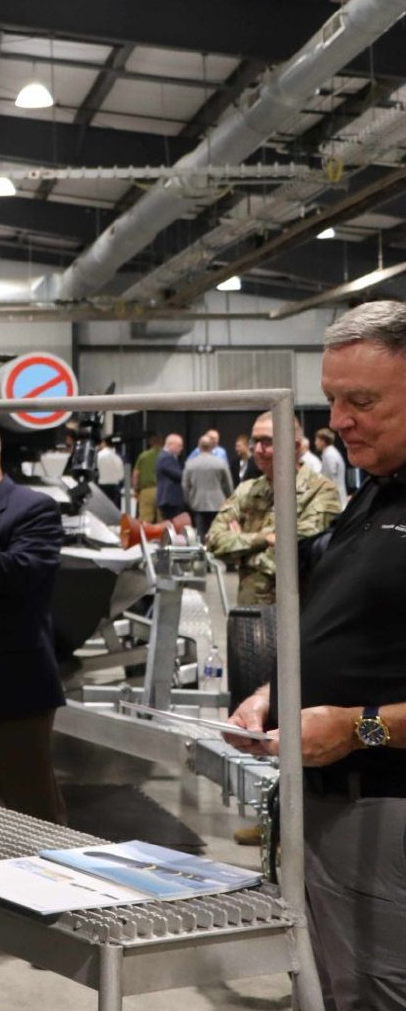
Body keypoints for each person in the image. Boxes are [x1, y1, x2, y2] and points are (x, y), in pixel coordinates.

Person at [225, 301, 406, 1010]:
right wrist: (278, 689)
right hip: (331, 813)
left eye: (363, 400)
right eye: (332, 398)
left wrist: (356, 725)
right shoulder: (373, 494)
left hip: (387, 809)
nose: (341, 419)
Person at [0, 421, 67, 823]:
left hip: (15, 684)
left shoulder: (33, 508)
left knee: (32, 804)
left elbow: (23, 574)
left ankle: (62, 882)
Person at [204, 410, 343, 605]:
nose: (258, 450)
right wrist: (265, 538)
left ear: (294, 446)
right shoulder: (248, 489)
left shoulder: (321, 491)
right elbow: (214, 541)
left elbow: (295, 552)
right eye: (255, 441)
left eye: (267, 442)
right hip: (247, 615)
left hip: (295, 619)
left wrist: (242, 555)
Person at [183, 434, 235, 538]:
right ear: (212, 447)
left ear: (199, 446)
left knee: (201, 534)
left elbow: (185, 485)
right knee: (218, 534)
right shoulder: (220, 463)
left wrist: (189, 501)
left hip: (198, 503)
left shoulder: (190, 463)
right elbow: (228, 484)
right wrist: (230, 498)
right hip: (218, 503)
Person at [155, 433, 188, 523]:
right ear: (170, 444)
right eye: (179, 446)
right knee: (172, 525)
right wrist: (189, 474)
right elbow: (178, 475)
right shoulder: (165, 458)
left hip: (170, 499)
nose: (181, 448)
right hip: (169, 499)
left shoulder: (169, 457)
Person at [132, 433, 162, 522]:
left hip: (146, 491)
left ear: (150, 443)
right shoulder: (166, 456)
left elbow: (135, 474)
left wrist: (135, 490)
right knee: (162, 519)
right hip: (163, 491)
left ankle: (144, 535)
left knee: (145, 519)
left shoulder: (143, 456)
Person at [315, 427, 349, 500]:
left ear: (323, 441)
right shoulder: (329, 453)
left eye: (317, 440)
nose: (315, 443)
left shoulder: (329, 455)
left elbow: (332, 477)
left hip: (334, 498)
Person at [94, 436, 126, 506]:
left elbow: (94, 470)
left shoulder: (98, 455)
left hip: (101, 487)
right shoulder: (118, 458)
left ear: (104, 443)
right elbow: (121, 476)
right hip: (115, 488)